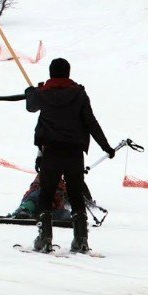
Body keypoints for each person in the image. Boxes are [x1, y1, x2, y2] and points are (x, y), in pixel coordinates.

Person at [25, 57, 114, 253]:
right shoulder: (79, 94)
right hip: (74, 152)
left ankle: (45, 238)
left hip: (51, 151)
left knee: (46, 194)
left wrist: (30, 93)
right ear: (68, 73)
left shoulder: (43, 93)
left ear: (50, 73)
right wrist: (106, 146)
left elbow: (31, 106)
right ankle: (81, 240)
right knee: (75, 194)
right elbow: (91, 123)